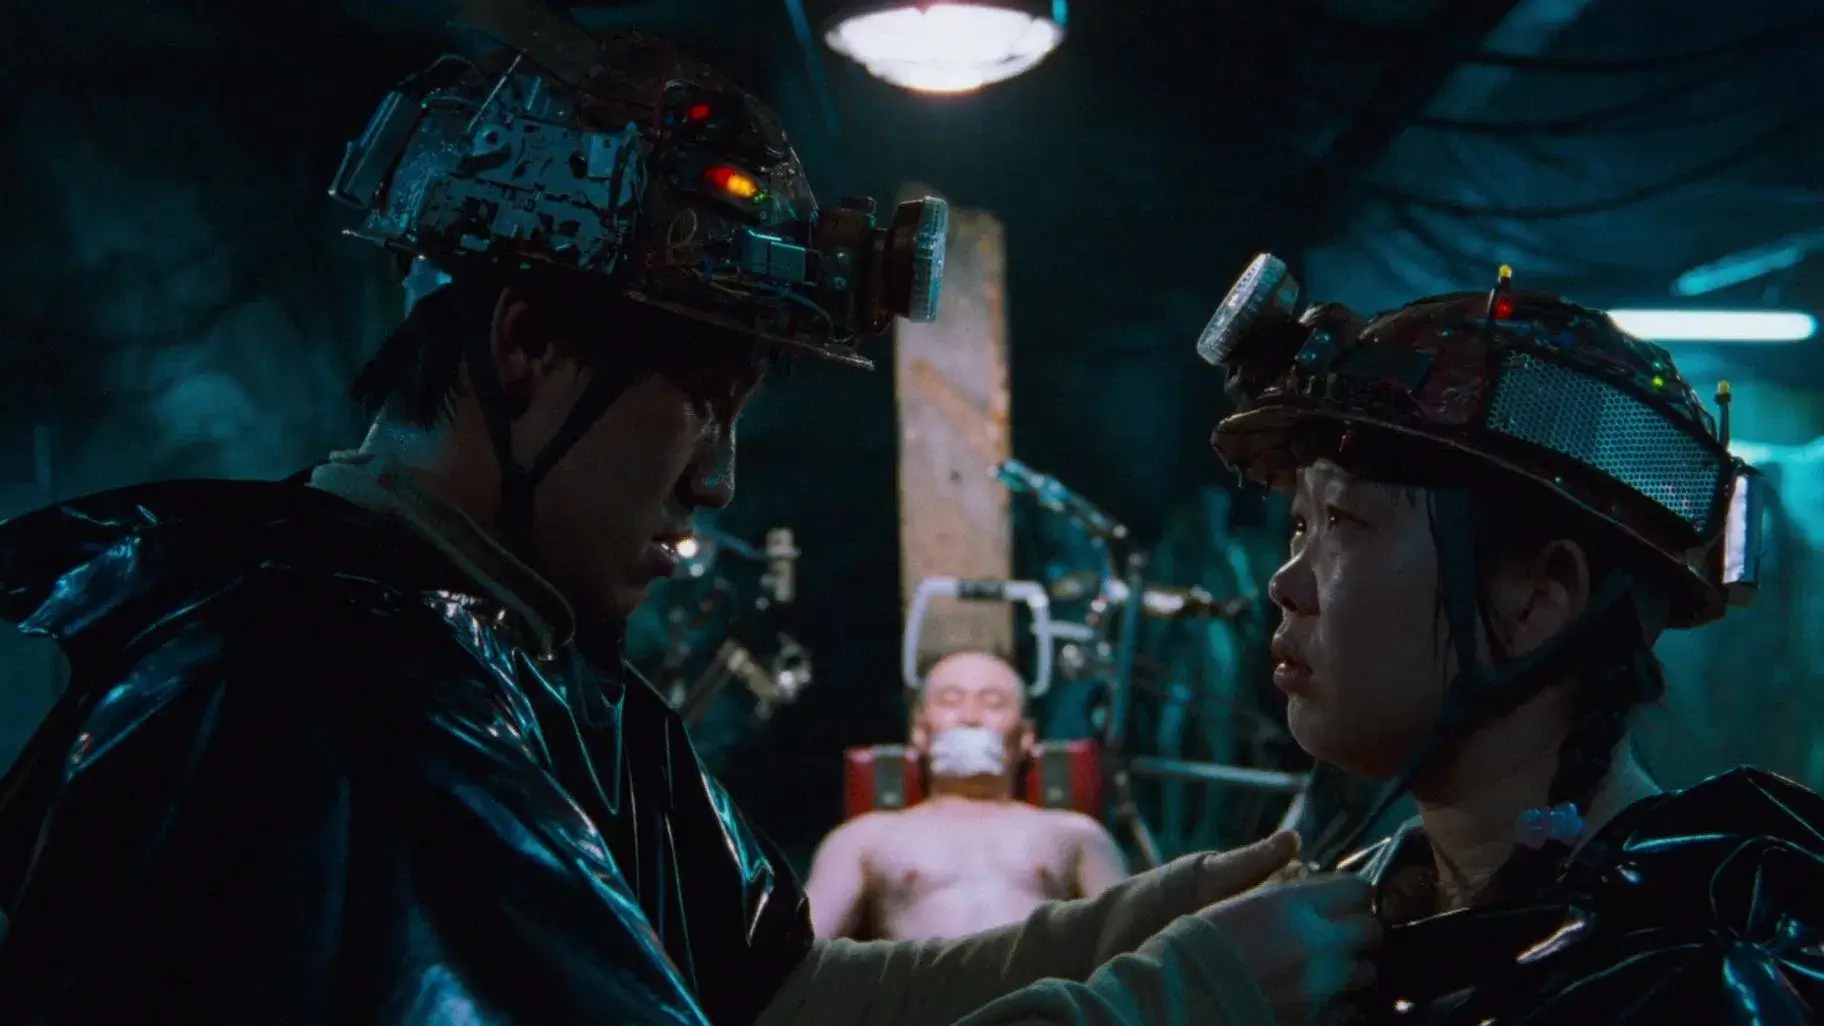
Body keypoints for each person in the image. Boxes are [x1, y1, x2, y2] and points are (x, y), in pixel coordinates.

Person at [0, 6, 1380, 1025]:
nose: (719, 478)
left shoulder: (547, 677)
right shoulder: (336, 679)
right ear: (528, 346)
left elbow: (796, 1003)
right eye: (700, 404)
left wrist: (1156, 921)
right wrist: (1172, 1003)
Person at [1196, 254, 1824, 1022]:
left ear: (1540, 596)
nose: (1285, 584)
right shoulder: (1348, 924)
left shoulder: (1693, 977)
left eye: (1343, 522)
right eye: (1300, 525)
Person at [807, 651, 1128, 941]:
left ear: (1026, 735)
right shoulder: (863, 838)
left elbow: (1133, 950)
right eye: (950, 701)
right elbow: (800, 955)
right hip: (924, 986)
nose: (970, 718)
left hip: (1040, 988)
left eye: (993, 703)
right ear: (920, 731)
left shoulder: (1075, 834)